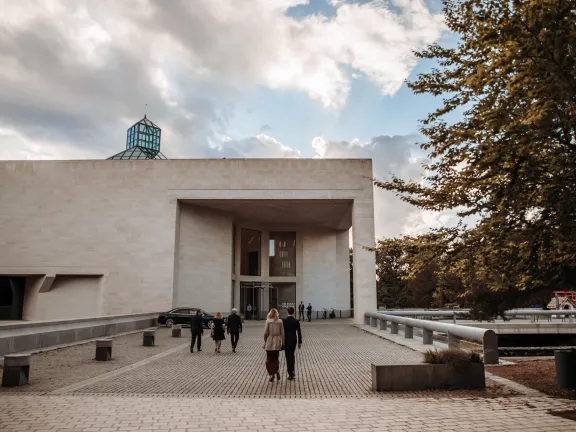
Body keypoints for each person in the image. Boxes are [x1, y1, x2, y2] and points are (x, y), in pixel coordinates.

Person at [263, 308, 284, 382]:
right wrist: (283, 343)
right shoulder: (280, 321)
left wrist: (265, 340)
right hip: (277, 341)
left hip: (270, 341)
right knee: (275, 358)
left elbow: (265, 333)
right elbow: (283, 333)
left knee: (269, 359)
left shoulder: (268, 321)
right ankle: (276, 371)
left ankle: (272, 374)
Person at [282, 306, 302, 380]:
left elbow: (282, 332)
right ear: (293, 312)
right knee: (292, 355)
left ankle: (290, 373)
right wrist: (299, 342)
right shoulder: (296, 321)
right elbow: (299, 332)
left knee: (288, 357)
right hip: (293, 340)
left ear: (287, 312)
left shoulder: (284, 321)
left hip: (286, 340)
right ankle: (292, 372)